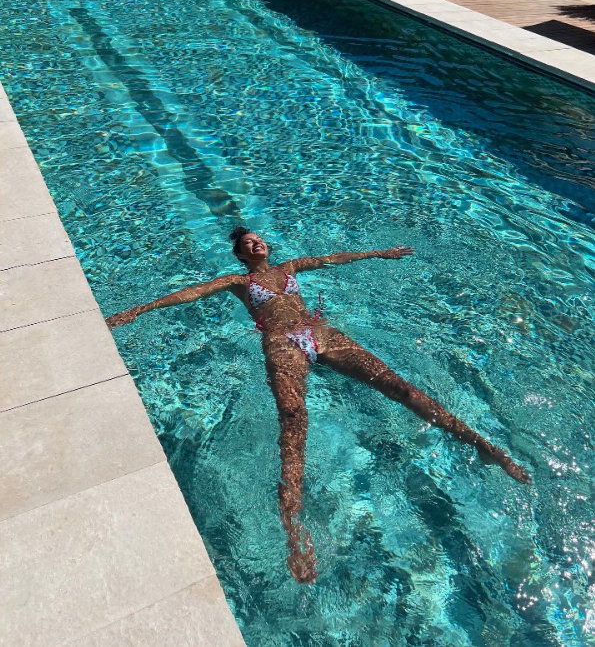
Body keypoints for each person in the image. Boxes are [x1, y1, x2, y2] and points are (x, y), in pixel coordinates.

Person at [106, 226, 530, 584]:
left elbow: (333, 259)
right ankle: (293, 525)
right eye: (248, 244)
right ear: (238, 254)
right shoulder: (238, 283)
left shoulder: (289, 268)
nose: (256, 245)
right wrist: (141, 309)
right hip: (282, 344)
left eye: (259, 241)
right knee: (293, 420)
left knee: (399, 387)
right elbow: (192, 293)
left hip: (319, 333)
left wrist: (379, 253)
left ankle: (481, 445)